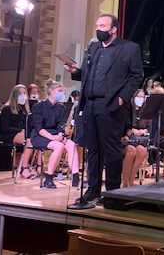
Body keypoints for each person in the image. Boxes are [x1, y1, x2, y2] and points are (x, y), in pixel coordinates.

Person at [64, 13, 143, 202]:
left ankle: (113, 192)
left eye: (103, 26)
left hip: (112, 105)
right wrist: (76, 72)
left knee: (111, 150)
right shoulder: (93, 48)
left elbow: (136, 75)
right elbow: (87, 74)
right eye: (97, 25)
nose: (99, 29)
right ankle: (93, 189)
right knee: (93, 149)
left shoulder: (129, 48)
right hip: (90, 105)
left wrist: (122, 98)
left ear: (113, 29)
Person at [30, 80, 79, 189]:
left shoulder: (61, 108)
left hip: (55, 135)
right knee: (59, 146)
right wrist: (53, 138)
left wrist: (61, 135)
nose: (62, 93)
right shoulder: (38, 106)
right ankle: (49, 178)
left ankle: (76, 177)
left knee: (71, 144)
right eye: (60, 91)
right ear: (51, 91)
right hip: (40, 135)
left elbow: (60, 126)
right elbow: (39, 128)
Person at [0, 84, 35, 179]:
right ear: (14, 95)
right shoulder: (6, 108)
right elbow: (5, 128)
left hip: (21, 133)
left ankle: (38, 167)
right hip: (9, 134)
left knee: (37, 138)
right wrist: (21, 130)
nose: (23, 95)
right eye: (20, 93)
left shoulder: (24, 109)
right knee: (29, 140)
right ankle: (24, 168)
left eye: (24, 93)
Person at [121, 89, 149, 187]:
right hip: (125, 139)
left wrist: (143, 131)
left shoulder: (145, 111)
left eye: (142, 97)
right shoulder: (128, 109)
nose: (140, 99)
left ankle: (131, 180)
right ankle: (125, 183)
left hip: (138, 139)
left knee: (142, 151)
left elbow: (148, 127)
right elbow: (127, 126)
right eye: (138, 97)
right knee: (131, 151)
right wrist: (131, 131)